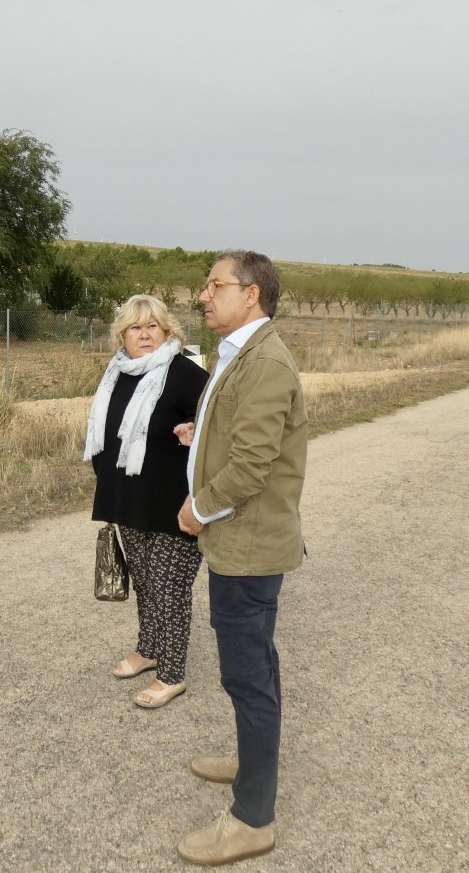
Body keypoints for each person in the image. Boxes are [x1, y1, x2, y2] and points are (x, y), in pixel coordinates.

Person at [173, 250, 308, 866]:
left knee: (248, 676)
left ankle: (253, 820)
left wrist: (197, 508)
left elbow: (252, 466)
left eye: (215, 285)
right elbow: (241, 435)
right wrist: (199, 436)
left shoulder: (266, 363)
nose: (204, 295)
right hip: (242, 543)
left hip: (248, 547)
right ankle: (252, 761)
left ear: (251, 293)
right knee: (255, 668)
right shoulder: (241, 353)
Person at [84, 294, 208, 709]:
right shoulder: (116, 374)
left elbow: (217, 431)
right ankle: (149, 648)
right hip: (130, 501)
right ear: (122, 336)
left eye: (152, 326)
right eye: (135, 327)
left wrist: (194, 435)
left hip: (176, 505)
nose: (144, 334)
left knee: (169, 588)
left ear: (168, 331)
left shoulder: (188, 375)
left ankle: (172, 674)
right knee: (145, 582)